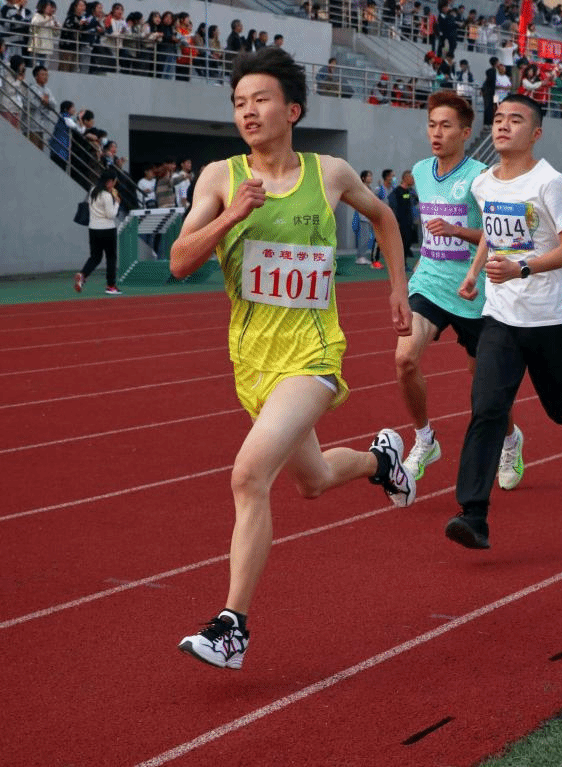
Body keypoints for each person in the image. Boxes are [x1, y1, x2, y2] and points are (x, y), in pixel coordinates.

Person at [169, 47, 416, 670]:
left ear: (293, 110)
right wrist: (232, 215)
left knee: (249, 476)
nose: (247, 112)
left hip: (314, 355)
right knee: (314, 482)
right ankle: (382, 460)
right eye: (239, 103)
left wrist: (398, 288)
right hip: (253, 361)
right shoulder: (220, 178)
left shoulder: (329, 172)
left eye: (260, 100)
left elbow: (385, 218)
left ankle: (232, 628)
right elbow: (180, 261)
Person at [444, 94, 562, 550]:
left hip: (553, 317)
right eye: (499, 118)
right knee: (487, 408)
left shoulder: (549, 182)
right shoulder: (484, 183)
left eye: (515, 120)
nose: (503, 125)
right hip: (501, 316)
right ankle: (473, 514)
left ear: (535, 133)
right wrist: (473, 273)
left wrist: (522, 268)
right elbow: (491, 233)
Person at [397, 90, 524, 488]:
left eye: (446, 126)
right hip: (430, 283)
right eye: (432, 125)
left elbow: (496, 234)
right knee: (405, 359)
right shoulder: (420, 171)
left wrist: (456, 230)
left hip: (476, 291)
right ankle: (424, 439)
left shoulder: (483, 176)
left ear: (466, 133)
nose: (436, 133)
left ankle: (510, 440)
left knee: (485, 386)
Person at [74, 168, 122, 295]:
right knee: (111, 258)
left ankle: (83, 274)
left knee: (95, 257)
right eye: (114, 182)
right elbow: (111, 215)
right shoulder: (107, 196)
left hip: (93, 228)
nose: (114, 184)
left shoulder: (93, 191)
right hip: (107, 229)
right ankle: (111, 285)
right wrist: (117, 203)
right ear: (110, 181)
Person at [387, 169, 415, 273]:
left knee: (407, 244)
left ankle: (404, 264)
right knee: (400, 245)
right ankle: (399, 266)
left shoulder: (410, 191)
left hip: (409, 223)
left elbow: (414, 202)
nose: (413, 180)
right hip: (400, 224)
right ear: (405, 178)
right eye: (412, 178)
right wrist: (396, 221)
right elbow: (392, 206)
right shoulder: (397, 192)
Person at [352, 169, 374, 264]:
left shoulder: (369, 188)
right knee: (364, 237)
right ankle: (360, 257)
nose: (370, 178)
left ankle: (362, 256)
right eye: (368, 176)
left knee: (367, 237)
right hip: (363, 216)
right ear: (363, 178)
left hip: (368, 216)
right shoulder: (361, 188)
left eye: (371, 176)